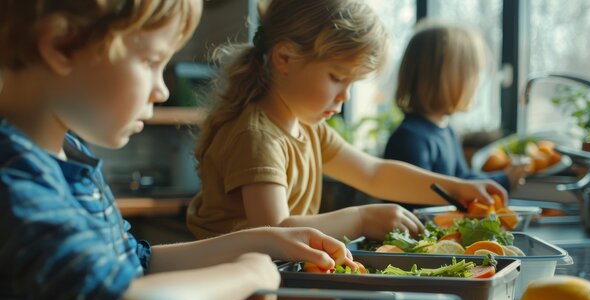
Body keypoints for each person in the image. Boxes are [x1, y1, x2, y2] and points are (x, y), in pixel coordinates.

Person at [0, 1, 355, 300]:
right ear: (61, 45)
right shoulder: (15, 180)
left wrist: (267, 241)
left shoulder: (68, 155)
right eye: (151, 62)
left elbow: (137, 264)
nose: (162, 90)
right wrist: (247, 275)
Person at [188, 0, 507, 242]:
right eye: (337, 78)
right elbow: (275, 230)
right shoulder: (256, 137)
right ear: (284, 58)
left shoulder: (309, 129)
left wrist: (459, 188)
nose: (346, 97)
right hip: (228, 285)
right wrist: (361, 219)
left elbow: (374, 173)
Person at [384, 19, 528, 209]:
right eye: (473, 73)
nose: (477, 82)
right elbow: (419, 202)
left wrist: (505, 178)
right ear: (444, 79)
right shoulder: (410, 139)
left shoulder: (446, 130)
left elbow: (462, 179)